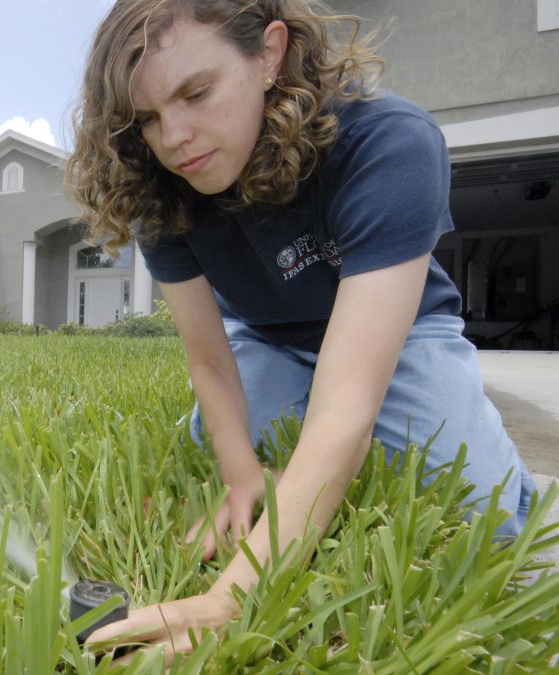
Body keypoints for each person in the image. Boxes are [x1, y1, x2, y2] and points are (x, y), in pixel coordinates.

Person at [65, 0, 537, 663]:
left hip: (402, 337)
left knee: (480, 515)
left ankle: (508, 470)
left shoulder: (389, 142)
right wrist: (239, 475)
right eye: (147, 118)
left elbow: (347, 409)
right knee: (232, 437)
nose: (173, 138)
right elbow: (209, 356)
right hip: (268, 338)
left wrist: (229, 598)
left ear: (268, 53)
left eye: (196, 92)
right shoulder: (159, 193)